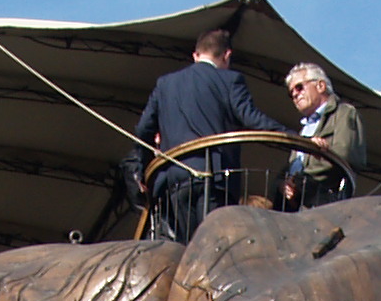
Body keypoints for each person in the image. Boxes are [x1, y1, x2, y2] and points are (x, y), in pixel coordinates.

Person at [135, 28, 275, 242]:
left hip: (176, 179)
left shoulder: (165, 84)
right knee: (215, 247)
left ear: (196, 55)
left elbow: (143, 129)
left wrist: (143, 170)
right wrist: (296, 138)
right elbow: (252, 118)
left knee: (189, 246)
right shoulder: (230, 80)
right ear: (227, 55)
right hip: (215, 178)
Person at [281, 63, 366, 209]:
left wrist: (299, 181)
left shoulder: (344, 113)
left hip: (325, 205)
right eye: (291, 93)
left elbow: (345, 155)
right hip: (299, 208)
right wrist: (283, 184)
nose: (294, 94)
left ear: (320, 86)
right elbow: (290, 168)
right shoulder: (304, 130)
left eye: (299, 87)